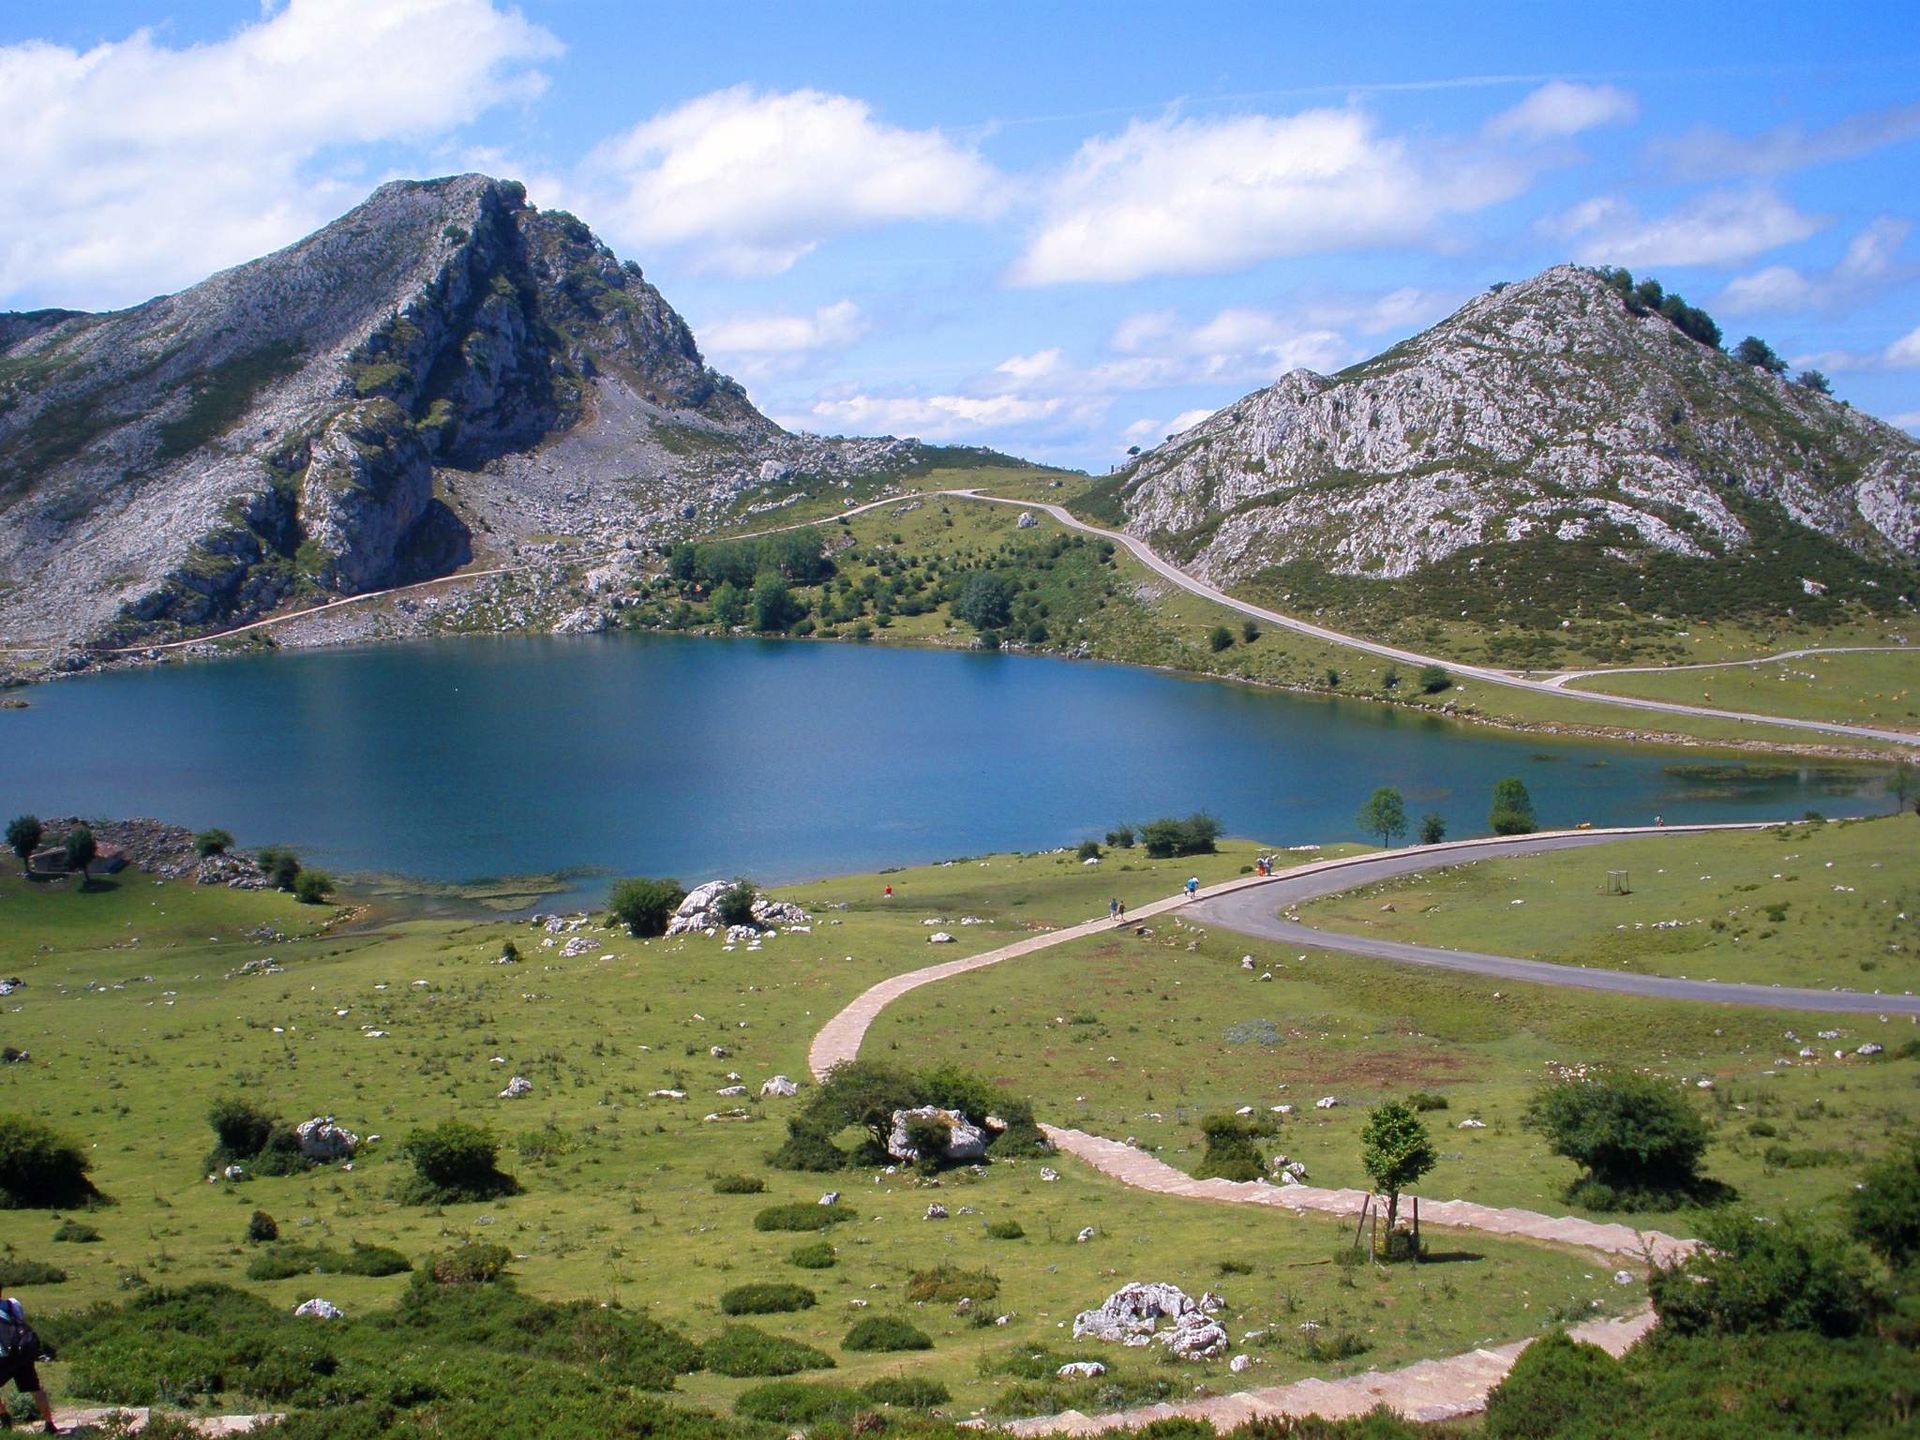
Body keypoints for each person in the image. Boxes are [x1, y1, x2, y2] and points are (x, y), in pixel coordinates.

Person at [0, 1281, 59, 1434]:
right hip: (22, 1354)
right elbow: (21, 1324)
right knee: (35, 1388)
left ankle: (4, 1417)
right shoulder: (13, 1304)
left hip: (3, 1357)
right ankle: (49, 1423)